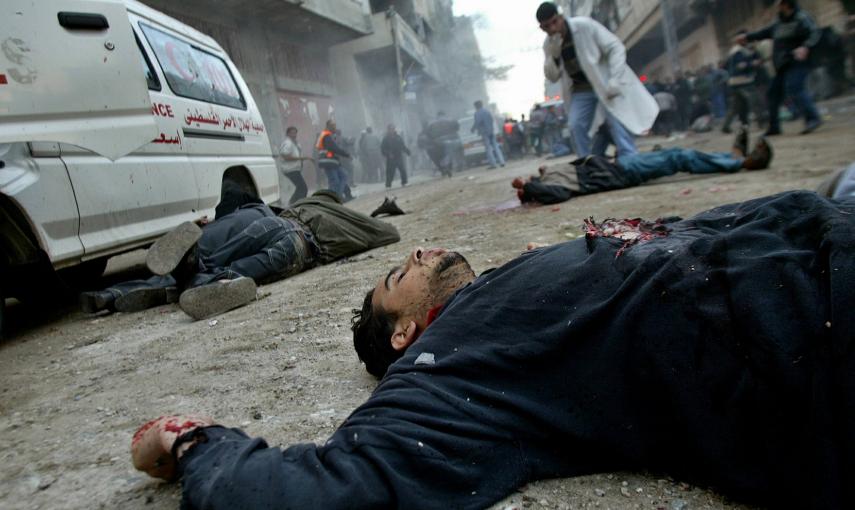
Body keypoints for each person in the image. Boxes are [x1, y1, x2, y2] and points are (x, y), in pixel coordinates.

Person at [133, 188, 855, 509]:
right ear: (404, 333)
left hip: (812, 229)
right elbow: (327, 490)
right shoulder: (444, 369)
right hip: (815, 315)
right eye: (398, 275)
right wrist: (195, 445)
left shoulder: (500, 295)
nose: (416, 250)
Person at [80, 185, 400, 320]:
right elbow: (390, 234)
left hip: (269, 221)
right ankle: (206, 282)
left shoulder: (301, 205)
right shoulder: (349, 221)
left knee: (210, 256)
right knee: (234, 271)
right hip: (299, 245)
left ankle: (113, 294)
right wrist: (378, 216)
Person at [513, 131, 773, 205]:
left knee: (673, 154)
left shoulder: (548, 175)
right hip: (623, 172)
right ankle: (740, 162)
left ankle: (730, 157)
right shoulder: (552, 187)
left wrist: (537, 177)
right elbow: (556, 196)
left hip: (621, 164)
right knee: (677, 158)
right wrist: (530, 187)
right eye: (524, 184)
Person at [538, 2, 658, 158]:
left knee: (615, 121)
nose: (552, 29)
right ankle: (587, 163)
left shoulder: (584, 26)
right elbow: (552, 77)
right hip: (581, 89)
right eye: (547, 26)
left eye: (554, 22)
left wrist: (615, 78)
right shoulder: (549, 44)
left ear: (561, 17)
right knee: (575, 125)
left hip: (604, 83)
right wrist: (553, 57)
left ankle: (630, 158)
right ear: (542, 28)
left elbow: (615, 47)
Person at [740, 0, 823, 135]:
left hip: (798, 61)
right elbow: (765, 32)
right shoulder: (779, 22)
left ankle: (813, 118)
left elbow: (815, 33)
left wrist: (805, 47)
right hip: (783, 64)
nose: (776, 6)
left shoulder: (801, 18)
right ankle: (774, 127)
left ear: (786, 4)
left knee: (795, 88)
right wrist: (748, 37)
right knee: (773, 93)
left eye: (779, 4)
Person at [722, 31, 760, 134]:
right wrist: (752, 64)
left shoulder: (734, 51)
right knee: (754, 102)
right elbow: (741, 66)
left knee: (736, 106)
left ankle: (727, 125)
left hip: (733, 82)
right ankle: (761, 122)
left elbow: (725, 66)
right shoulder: (739, 51)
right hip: (744, 81)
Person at [315, 120, 351, 200]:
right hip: (328, 161)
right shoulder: (326, 135)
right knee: (334, 181)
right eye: (333, 125)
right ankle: (333, 199)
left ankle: (338, 196)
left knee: (343, 176)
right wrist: (346, 154)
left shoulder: (328, 135)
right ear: (328, 126)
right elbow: (333, 148)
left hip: (333, 161)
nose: (335, 127)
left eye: (335, 125)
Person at [277, 126, 313, 205]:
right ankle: (295, 204)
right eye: (292, 133)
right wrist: (302, 158)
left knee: (301, 187)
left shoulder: (295, 143)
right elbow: (285, 156)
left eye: (295, 132)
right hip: (290, 169)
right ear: (288, 133)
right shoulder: (287, 143)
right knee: (303, 188)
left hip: (294, 169)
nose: (294, 134)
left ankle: (293, 203)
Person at [472, 100, 505, 169]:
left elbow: (477, 122)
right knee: (496, 146)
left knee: (488, 148)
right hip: (491, 131)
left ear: (476, 106)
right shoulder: (487, 111)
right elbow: (491, 120)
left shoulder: (477, 113)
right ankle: (502, 162)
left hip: (484, 132)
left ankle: (493, 164)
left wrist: (473, 129)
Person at [427, 112, 462, 176]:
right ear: (444, 115)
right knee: (452, 152)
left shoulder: (432, 123)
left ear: (437, 116)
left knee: (442, 155)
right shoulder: (451, 120)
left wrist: (434, 139)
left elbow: (429, 134)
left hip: (438, 141)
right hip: (452, 140)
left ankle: (444, 167)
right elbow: (457, 127)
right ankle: (454, 165)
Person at [380, 124, 411, 189]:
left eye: (393, 129)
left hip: (398, 156)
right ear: (388, 130)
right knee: (390, 172)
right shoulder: (385, 139)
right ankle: (388, 185)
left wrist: (407, 151)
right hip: (391, 158)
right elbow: (383, 149)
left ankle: (404, 182)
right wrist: (388, 154)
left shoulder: (398, 137)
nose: (392, 130)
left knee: (402, 170)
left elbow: (402, 145)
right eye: (391, 129)